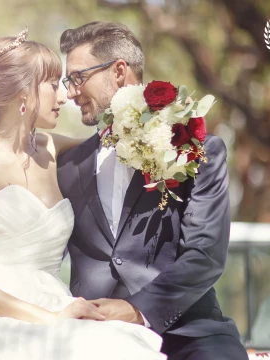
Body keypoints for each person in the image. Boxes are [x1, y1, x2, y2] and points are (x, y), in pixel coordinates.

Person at [0, 27, 166, 360]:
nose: (64, 97)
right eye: (52, 85)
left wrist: (168, 121)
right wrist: (50, 319)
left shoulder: (53, 148)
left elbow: (117, 138)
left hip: (56, 295)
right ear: (21, 93)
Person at [57, 21, 249, 360]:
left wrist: (135, 310)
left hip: (187, 336)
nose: (70, 92)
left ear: (118, 71)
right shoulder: (68, 166)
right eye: (66, 81)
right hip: (87, 338)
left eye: (77, 77)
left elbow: (204, 254)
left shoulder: (196, 149)